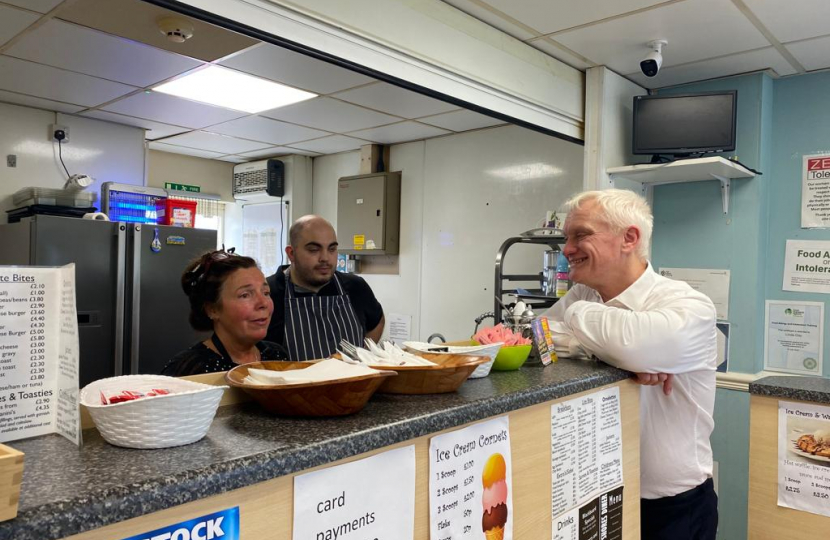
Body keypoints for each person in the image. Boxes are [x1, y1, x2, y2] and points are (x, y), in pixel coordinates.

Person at [542, 189, 718, 540]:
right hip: (600, 496)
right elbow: (540, 338)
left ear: (629, 238)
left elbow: (636, 342)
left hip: (671, 507)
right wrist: (616, 356)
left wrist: (578, 320)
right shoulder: (585, 293)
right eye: (566, 237)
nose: (567, 249)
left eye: (581, 235)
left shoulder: (689, 304)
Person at [265, 215, 385, 361]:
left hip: (351, 383)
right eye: (314, 250)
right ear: (291, 253)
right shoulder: (268, 293)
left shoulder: (355, 287)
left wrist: (363, 356)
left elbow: (377, 321)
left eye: (332, 249)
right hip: (295, 383)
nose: (325, 258)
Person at [162, 248, 283, 376]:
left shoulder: (276, 355)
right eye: (245, 295)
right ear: (212, 309)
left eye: (266, 293)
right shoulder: (188, 370)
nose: (263, 303)